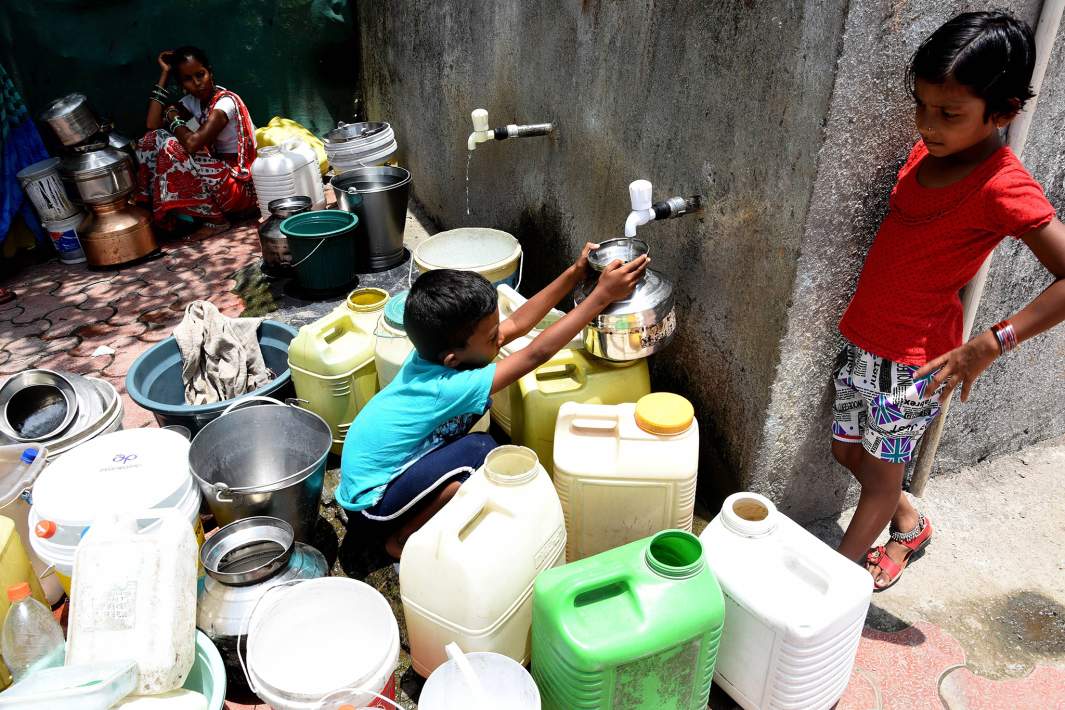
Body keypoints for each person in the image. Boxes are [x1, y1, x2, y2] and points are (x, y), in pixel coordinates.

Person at [831, 11, 1065, 590]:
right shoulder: (928, 153)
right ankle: (910, 522)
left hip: (914, 364)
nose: (927, 126)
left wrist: (990, 342)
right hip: (867, 340)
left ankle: (835, 587)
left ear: (1004, 112)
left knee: (881, 481)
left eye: (949, 114)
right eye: (922, 107)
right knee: (845, 453)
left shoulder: (1002, 185)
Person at [337, 247, 650, 558]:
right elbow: (535, 354)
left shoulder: (434, 355)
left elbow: (517, 326)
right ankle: (401, 539)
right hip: (373, 507)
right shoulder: (447, 387)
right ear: (452, 358)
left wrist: (574, 273)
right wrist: (600, 298)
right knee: (482, 450)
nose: (500, 338)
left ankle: (443, 493)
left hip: (381, 482)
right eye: (492, 338)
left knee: (469, 455)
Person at [136, 46, 257, 233]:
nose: (197, 83)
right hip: (216, 174)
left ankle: (216, 221)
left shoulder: (225, 103)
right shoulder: (192, 102)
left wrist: (173, 118)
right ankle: (151, 215)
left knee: (171, 146)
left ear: (210, 72)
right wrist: (165, 74)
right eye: (188, 79)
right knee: (151, 140)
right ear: (182, 84)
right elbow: (152, 124)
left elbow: (192, 144)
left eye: (200, 75)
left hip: (240, 186)